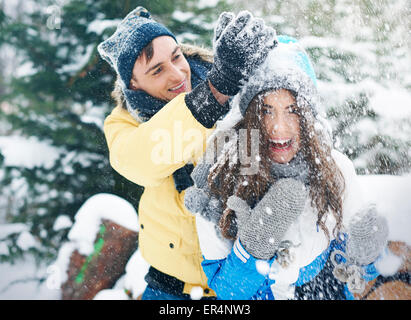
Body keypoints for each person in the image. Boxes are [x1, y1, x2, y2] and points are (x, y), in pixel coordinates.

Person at [184, 36, 389, 300]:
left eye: (292, 110)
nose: (279, 128)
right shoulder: (222, 175)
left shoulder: (333, 167)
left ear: (308, 116)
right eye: (266, 111)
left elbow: (354, 271)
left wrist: (367, 254)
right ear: (250, 117)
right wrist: (251, 251)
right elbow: (228, 291)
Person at [97, 6, 277, 300]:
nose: (177, 73)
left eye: (176, 56)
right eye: (157, 70)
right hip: (169, 290)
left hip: (241, 281)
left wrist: (259, 72)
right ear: (132, 83)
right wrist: (214, 94)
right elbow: (140, 160)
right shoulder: (125, 120)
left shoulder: (228, 82)